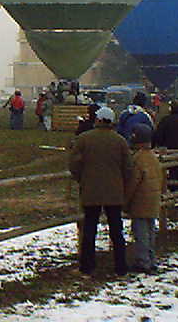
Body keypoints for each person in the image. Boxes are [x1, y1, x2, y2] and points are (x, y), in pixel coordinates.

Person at [68, 106, 132, 276]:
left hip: (91, 190)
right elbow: (128, 168)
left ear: (97, 119)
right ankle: (120, 266)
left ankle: (87, 267)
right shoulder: (120, 141)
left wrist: (82, 178)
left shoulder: (84, 139)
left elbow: (74, 164)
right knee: (116, 231)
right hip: (114, 192)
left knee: (89, 230)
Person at [124, 124, 164, 274]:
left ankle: (143, 261)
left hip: (140, 201)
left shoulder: (138, 159)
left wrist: (126, 201)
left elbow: (134, 182)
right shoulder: (153, 157)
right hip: (153, 199)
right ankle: (151, 259)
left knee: (140, 232)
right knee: (150, 231)